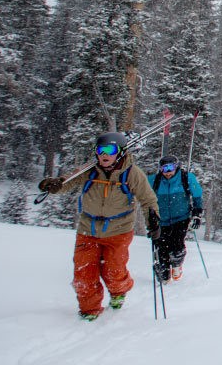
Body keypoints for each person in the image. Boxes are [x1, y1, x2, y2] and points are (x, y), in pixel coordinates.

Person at [38, 132, 160, 321]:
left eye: (109, 150)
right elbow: (68, 182)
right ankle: (89, 309)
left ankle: (119, 292)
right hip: (88, 229)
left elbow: (148, 199)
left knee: (114, 270)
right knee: (83, 272)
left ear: (119, 153)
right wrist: (54, 185)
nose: (104, 154)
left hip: (118, 230)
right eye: (100, 150)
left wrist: (153, 219)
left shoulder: (132, 173)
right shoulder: (89, 170)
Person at [147, 155, 204, 283]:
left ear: (176, 166)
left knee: (176, 246)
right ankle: (164, 274)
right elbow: (142, 194)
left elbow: (197, 194)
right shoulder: (154, 181)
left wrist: (197, 213)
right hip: (161, 221)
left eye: (170, 167)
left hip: (181, 218)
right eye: (164, 168)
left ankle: (177, 264)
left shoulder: (186, 178)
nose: (167, 172)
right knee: (162, 248)